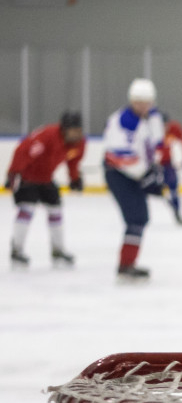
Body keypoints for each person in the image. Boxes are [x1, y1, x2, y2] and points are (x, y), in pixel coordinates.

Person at [102, 78, 172, 281]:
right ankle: (125, 265)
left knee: (140, 219)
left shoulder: (154, 117)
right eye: (138, 102)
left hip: (137, 173)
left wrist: (156, 170)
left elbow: (157, 144)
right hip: (119, 174)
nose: (142, 106)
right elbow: (121, 157)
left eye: (146, 102)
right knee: (137, 218)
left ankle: (127, 264)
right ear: (131, 100)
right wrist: (147, 176)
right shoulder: (123, 121)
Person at [7, 111, 85, 268]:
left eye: (79, 130)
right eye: (74, 130)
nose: (77, 134)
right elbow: (22, 151)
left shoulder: (79, 143)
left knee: (55, 211)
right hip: (28, 179)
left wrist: (74, 178)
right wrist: (13, 173)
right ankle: (17, 250)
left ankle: (58, 250)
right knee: (27, 210)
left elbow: (73, 161)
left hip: (46, 179)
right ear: (64, 129)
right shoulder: (47, 136)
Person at [156, 116, 182, 225]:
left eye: (166, 125)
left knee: (173, 185)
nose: (164, 128)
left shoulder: (174, 128)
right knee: (155, 188)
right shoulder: (149, 129)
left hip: (167, 163)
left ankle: (177, 212)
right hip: (150, 165)